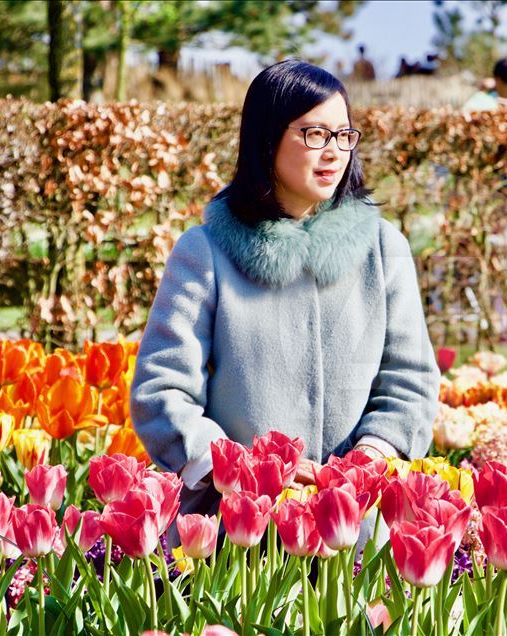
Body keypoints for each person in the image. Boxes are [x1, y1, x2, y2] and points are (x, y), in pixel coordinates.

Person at [131, 59, 440, 530]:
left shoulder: (382, 249)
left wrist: (368, 460)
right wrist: (244, 474)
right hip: (235, 533)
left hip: (356, 529)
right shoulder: (206, 251)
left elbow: (410, 382)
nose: (334, 152)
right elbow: (162, 391)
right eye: (314, 134)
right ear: (267, 139)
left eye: (344, 135)